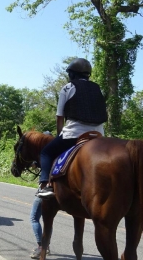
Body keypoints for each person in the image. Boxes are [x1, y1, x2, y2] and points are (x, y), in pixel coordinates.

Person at [36, 58, 107, 199]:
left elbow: (59, 117)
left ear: (72, 74)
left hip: (74, 132)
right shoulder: (97, 88)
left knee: (46, 153)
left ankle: (45, 185)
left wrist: (58, 135)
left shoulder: (68, 88)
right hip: (99, 134)